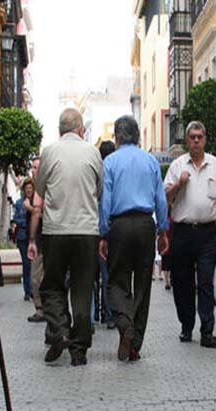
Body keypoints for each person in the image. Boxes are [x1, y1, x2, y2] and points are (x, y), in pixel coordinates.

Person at [27, 109, 102, 366]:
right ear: (81, 130)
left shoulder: (49, 151)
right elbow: (99, 188)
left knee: (52, 285)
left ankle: (59, 330)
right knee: (82, 288)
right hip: (86, 231)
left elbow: (40, 187)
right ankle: (79, 350)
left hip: (56, 230)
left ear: (60, 130)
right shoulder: (93, 152)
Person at [98, 116, 169, 361]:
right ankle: (134, 342)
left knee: (117, 281)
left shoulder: (110, 162)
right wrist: (163, 229)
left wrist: (104, 233)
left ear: (117, 137)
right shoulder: (150, 161)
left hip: (119, 225)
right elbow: (161, 198)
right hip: (145, 225)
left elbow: (105, 201)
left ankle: (124, 324)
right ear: (138, 137)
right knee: (142, 285)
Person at [164, 121, 216, 348]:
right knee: (181, 282)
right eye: (192, 137)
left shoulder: (215, 165)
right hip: (182, 232)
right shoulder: (176, 166)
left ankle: (207, 330)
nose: (195, 140)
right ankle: (186, 325)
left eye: (199, 137)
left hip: (206, 234)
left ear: (205, 139)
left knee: (205, 282)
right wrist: (178, 184)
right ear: (187, 140)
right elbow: (165, 198)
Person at [97, 141, 116, 329]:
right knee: (109, 274)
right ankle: (109, 315)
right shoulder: (113, 171)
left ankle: (95, 313)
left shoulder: (98, 172)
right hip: (110, 228)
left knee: (95, 276)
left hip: (93, 229)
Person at [26, 157, 47, 323]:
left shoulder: (45, 188)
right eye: (32, 167)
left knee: (38, 276)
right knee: (36, 276)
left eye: (37, 167)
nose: (34, 170)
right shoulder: (32, 189)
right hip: (37, 239)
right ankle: (40, 308)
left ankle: (42, 310)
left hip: (43, 239)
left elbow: (41, 211)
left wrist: (32, 208)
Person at [13, 179, 34, 301]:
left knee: (33, 265)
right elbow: (16, 219)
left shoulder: (35, 202)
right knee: (26, 265)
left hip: (32, 237)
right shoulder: (19, 203)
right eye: (27, 188)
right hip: (22, 237)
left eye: (30, 188)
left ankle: (33, 289)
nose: (28, 190)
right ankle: (27, 291)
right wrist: (26, 223)